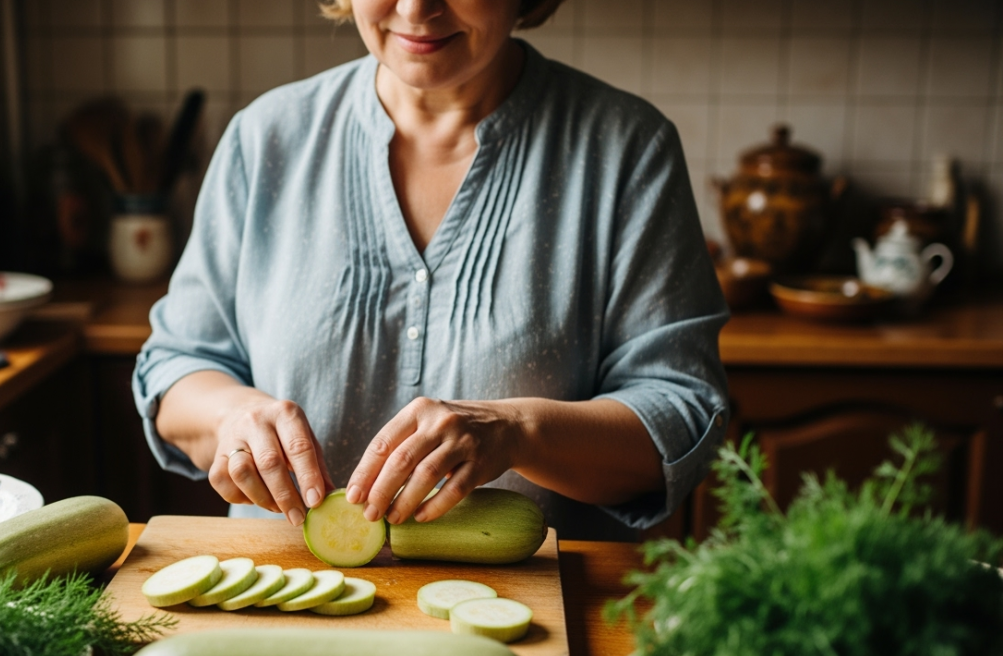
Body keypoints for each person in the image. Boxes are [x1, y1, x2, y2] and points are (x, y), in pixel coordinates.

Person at [133, 0, 729, 541]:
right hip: (280, 603)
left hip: (539, 614)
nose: (416, 8)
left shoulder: (627, 150)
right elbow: (177, 368)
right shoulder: (264, 138)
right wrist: (230, 414)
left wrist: (518, 430)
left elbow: (681, 416)